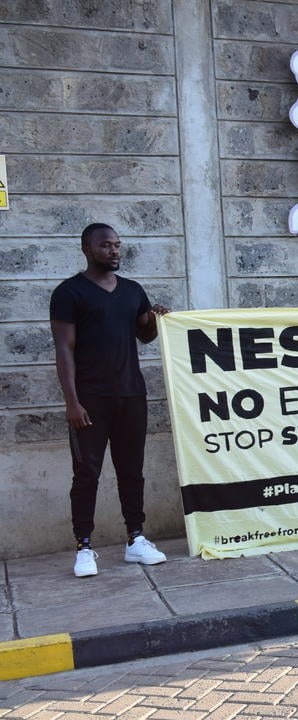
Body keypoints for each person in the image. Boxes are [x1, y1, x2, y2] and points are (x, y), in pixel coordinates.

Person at [50, 224, 170, 577]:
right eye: (106, 245)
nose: (115, 251)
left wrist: (153, 319)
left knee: (131, 471)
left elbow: (143, 334)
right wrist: (72, 401)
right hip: (90, 398)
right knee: (86, 473)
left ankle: (136, 539)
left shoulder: (133, 290)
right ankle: (84, 547)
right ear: (86, 248)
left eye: (117, 245)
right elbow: (64, 349)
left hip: (131, 394)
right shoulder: (69, 292)